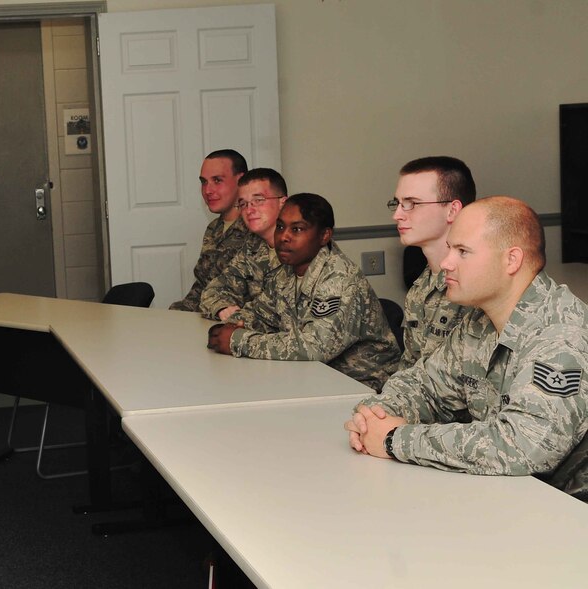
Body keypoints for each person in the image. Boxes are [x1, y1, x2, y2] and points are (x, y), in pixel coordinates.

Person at [345, 196, 588, 501]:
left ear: (511, 260)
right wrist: (376, 417)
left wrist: (395, 439)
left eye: (462, 251)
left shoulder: (561, 335)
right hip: (505, 498)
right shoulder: (480, 320)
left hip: (565, 513)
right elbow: (424, 385)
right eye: (449, 249)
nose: (446, 263)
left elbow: (526, 445)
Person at [207, 193, 400, 392]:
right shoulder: (286, 271)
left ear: (324, 236)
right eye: (280, 227)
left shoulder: (340, 279)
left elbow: (315, 347)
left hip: (363, 388)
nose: (283, 237)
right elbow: (260, 313)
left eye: (297, 229)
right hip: (311, 379)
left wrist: (239, 341)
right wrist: (232, 326)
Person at [390, 156, 476, 370]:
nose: (397, 215)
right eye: (398, 203)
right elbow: (410, 369)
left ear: (452, 210)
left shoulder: (477, 285)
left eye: (412, 204)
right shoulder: (420, 288)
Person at [200, 168, 286, 320]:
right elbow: (213, 290)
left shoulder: (304, 248)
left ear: (282, 203)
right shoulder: (253, 245)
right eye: (243, 204)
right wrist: (223, 308)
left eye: (258, 200)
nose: (249, 210)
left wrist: (244, 317)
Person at [169, 149, 249, 311]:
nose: (208, 190)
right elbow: (202, 286)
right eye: (204, 182)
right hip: (204, 315)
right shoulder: (214, 228)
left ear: (240, 181)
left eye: (217, 180)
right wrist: (177, 314)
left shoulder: (255, 228)